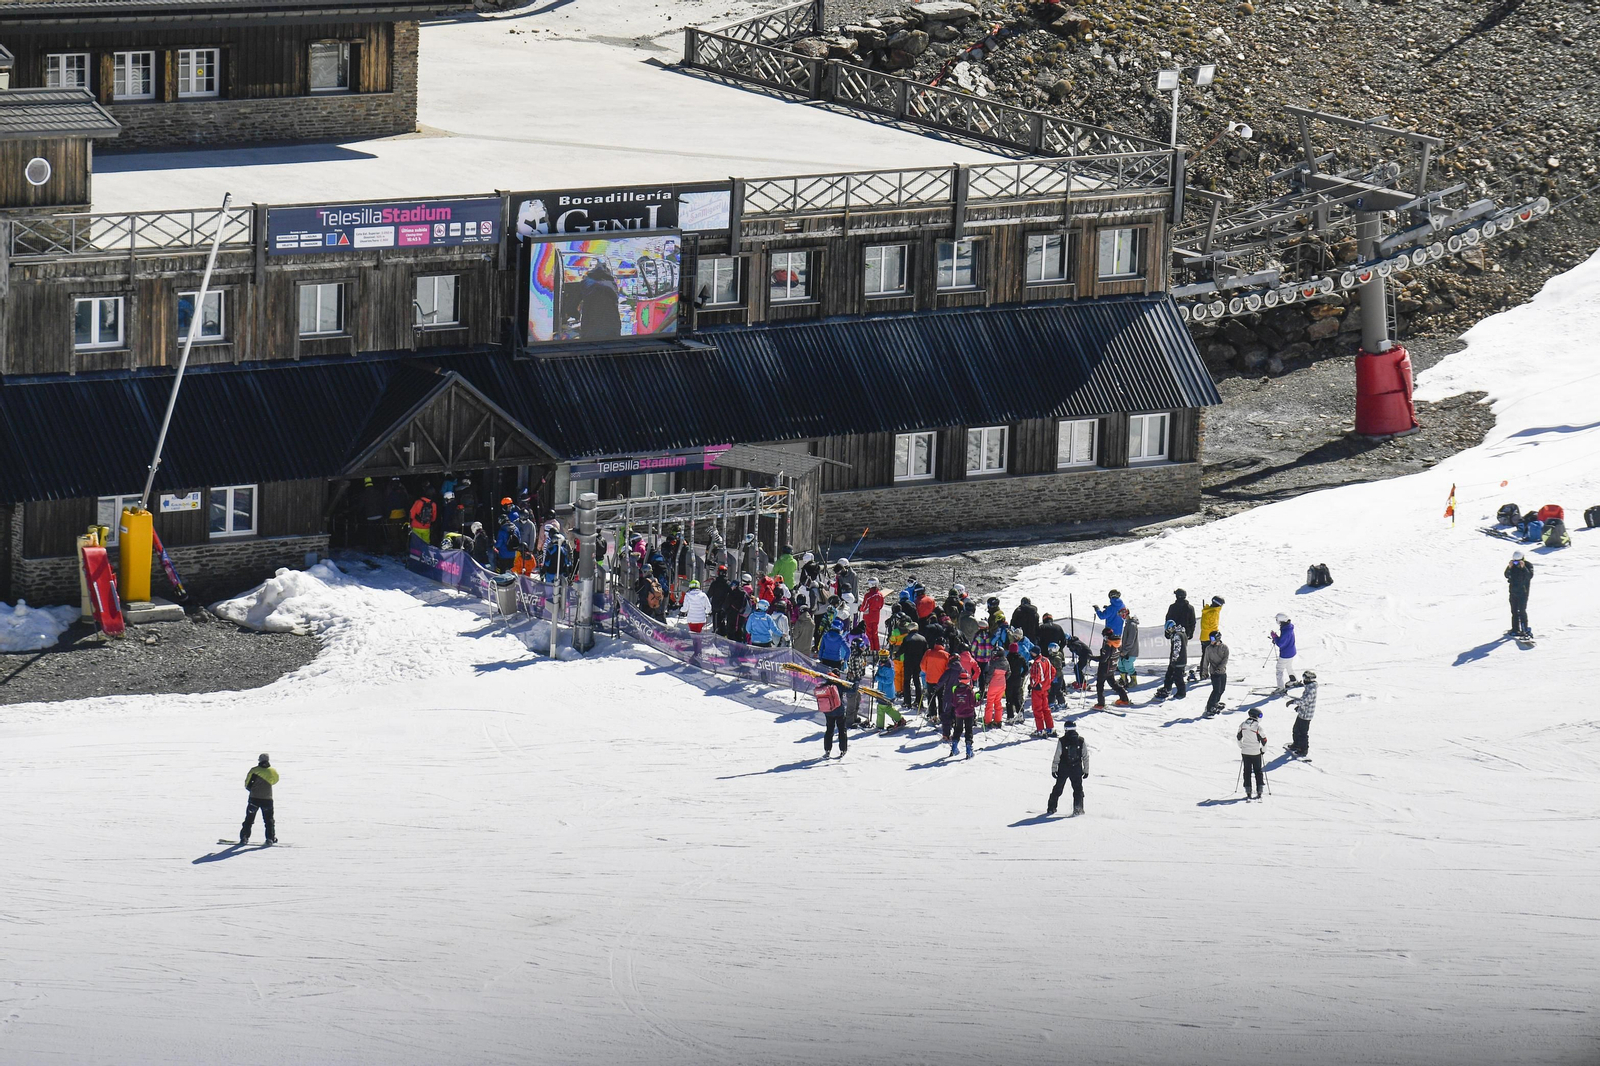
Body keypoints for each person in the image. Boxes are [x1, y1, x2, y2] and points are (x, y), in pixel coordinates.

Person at [1047, 720, 1090, 816]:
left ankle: (1051, 808)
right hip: (1076, 768)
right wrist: (1086, 770)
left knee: (1058, 788)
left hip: (1063, 768)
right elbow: (1085, 756)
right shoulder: (1081, 740)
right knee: (1078, 789)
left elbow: (1057, 755)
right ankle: (1078, 809)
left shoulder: (1062, 740)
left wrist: (1054, 768)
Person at [575, 262, 622, 339]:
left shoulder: (586, 282)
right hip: (612, 327)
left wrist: (574, 315)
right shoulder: (612, 284)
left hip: (591, 327)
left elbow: (574, 303)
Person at [240, 753, 279, 845]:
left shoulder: (254, 770)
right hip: (267, 798)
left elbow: (247, 784)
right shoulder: (272, 771)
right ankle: (270, 838)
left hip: (254, 798)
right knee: (269, 820)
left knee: (249, 819)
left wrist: (253, 790)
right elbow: (275, 781)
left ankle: (244, 837)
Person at [1092, 633, 1131, 710]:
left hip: (1104, 669)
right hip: (1112, 668)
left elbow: (1103, 658)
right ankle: (1124, 699)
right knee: (1114, 684)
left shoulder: (1108, 645)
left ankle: (1101, 704)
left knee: (1100, 686)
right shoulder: (1118, 644)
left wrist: (1091, 658)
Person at [922, 639, 953, 735]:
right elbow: (948, 668)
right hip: (941, 681)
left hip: (930, 679)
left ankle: (932, 715)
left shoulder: (928, 652)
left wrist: (928, 671)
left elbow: (922, 665)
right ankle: (941, 715)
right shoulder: (946, 655)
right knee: (941, 698)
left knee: (931, 697)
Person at [872, 651, 906, 732]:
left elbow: (889, 680)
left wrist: (878, 678)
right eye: (881, 657)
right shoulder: (881, 664)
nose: (882, 659)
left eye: (884, 657)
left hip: (887, 692)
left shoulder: (889, 667)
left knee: (883, 707)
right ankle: (897, 719)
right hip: (882, 690)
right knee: (884, 707)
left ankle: (882, 725)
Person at [816, 674, 848, 758]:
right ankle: (843, 749)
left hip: (828, 712)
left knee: (829, 730)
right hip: (839, 711)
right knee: (842, 730)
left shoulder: (824, 686)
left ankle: (827, 750)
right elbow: (852, 690)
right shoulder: (839, 685)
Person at [1238, 708, 1267, 799]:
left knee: (1247, 771)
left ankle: (1248, 790)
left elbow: (1238, 737)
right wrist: (1263, 750)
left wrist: (1242, 746)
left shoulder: (1242, 725)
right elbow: (1264, 741)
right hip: (1256, 752)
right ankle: (1259, 790)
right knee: (1258, 771)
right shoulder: (1258, 727)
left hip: (1245, 752)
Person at [1287, 669, 1318, 757]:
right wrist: (1299, 707)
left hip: (1306, 715)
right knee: (1296, 729)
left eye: (1305, 678)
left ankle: (1303, 749)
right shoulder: (1309, 687)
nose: (1304, 680)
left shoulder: (1311, 690)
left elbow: (1304, 701)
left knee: (1303, 733)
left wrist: (1293, 702)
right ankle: (1296, 744)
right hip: (1302, 712)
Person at [1155, 619, 1188, 699]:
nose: (1168, 632)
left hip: (1178, 661)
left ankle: (1181, 693)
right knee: (1169, 674)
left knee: (1178, 677)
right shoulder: (1182, 633)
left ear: (1170, 628)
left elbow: (1177, 649)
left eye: (1168, 630)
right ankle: (1167, 688)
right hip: (1179, 659)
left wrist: (1174, 660)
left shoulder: (1177, 635)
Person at [681, 579, 712, 663]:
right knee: (699, 635)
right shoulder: (703, 595)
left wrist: (681, 609)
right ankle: (699, 652)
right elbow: (709, 607)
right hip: (701, 619)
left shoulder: (687, 595)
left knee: (694, 636)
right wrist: (705, 613)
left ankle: (696, 652)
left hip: (691, 619)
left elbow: (685, 608)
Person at [1200, 630, 1229, 717]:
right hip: (1214, 672)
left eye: (1212, 638)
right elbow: (1205, 661)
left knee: (1222, 689)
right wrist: (1204, 672)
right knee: (1216, 690)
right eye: (1210, 639)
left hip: (1222, 672)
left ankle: (1215, 703)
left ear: (1217, 638)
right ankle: (1209, 707)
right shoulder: (1208, 649)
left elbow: (1225, 660)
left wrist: (1220, 668)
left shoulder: (1224, 648)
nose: (1211, 640)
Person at [948, 671, 977, 758]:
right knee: (968, 730)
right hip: (969, 714)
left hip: (958, 713)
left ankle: (954, 747)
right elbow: (973, 704)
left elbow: (953, 702)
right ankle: (969, 750)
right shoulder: (969, 690)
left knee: (957, 729)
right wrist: (978, 699)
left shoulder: (956, 690)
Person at [1505, 551, 1533, 638]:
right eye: (1515, 561)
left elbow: (1529, 576)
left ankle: (1524, 629)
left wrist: (1523, 567)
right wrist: (1509, 567)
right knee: (1514, 611)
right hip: (1513, 592)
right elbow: (1506, 575)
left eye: (1518, 561)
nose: (1516, 563)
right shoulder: (1512, 565)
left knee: (1522, 610)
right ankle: (1515, 629)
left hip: (1523, 592)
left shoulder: (1528, 565)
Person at [1029, 649, 1057, 736]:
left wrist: (1032, 685)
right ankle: (1050, 728)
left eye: (1032, 653)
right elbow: (1053, 671)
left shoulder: (1036, 663)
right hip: (1045, 688)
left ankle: (1040, 730)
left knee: (1037, 709)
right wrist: (1048, 682)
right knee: (1046, 709)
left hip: (1038, 689)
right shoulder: (1046, 660)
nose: (1031, 654)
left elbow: (1035, 677)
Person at [900, 625, 928, 711]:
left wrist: (895, 654)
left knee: (907, 681)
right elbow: (925, 651)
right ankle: (919, 701)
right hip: (918, 663)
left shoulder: (907, 638)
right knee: (917, 681)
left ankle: (907, 701)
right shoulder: (923, 639)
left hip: (908, 662)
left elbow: (902, 650)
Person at [1269, 612, 1297, 693]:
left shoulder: (1285, 630)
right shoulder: (1288, 627)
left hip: (1286, 653)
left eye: (1277, 619)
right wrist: (1277, 638)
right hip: (1291, 651)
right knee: (1289, 666)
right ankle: (1293, 680)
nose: (1276, 621)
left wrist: (1275, 637)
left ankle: (1280, 688)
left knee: (1279, 670)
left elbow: (1281, 644)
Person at [358, 477, 385, 552]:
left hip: (369, 517)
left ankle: (371, 548)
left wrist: (359, 512)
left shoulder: (364, 493)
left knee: (371, 534)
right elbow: (382, 502)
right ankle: (378, 548)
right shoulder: (377, 492)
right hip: (379, 516)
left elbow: (361, 505)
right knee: (378, 533)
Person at [861, 577, 886, 652]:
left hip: (868, 616)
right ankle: (877, 649)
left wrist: (861, 609)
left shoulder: (868, 596)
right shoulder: (880, 595)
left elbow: (864, 607)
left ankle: (871, 650)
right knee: (875, 633)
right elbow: (881, 605)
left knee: (869, 633)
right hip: (876, 616)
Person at [984, 651, 1007, 730]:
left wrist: (986, 682)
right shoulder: (1006, 662)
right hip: (1002, 683)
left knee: (990, 702)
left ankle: (988, 721)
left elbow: (990, 674)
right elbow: (1009, 672)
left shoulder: (994, 662)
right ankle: (998, 720)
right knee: (998, 701)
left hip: (994, 683)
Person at [1117, 609, 1141, 687]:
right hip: (1124, 650)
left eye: (1121, 614)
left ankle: (1133, 681)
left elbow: (1130, 640)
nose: (1121, 616)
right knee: (1121, 664)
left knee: (1128, 665)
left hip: (1131, 651)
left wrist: (1125, 651)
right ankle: (1123, 680)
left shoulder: (1132, 625)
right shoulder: (1127, 624)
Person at [1005, 642, 1026, 723]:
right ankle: (1020, 714)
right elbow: (1026, 668)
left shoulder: (1007, 658)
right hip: (1017, 679)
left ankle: (1010, 717)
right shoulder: (1021, 658)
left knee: (1009, 698)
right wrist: (1022, 675)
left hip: (1009, 680)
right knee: (1017, 697)